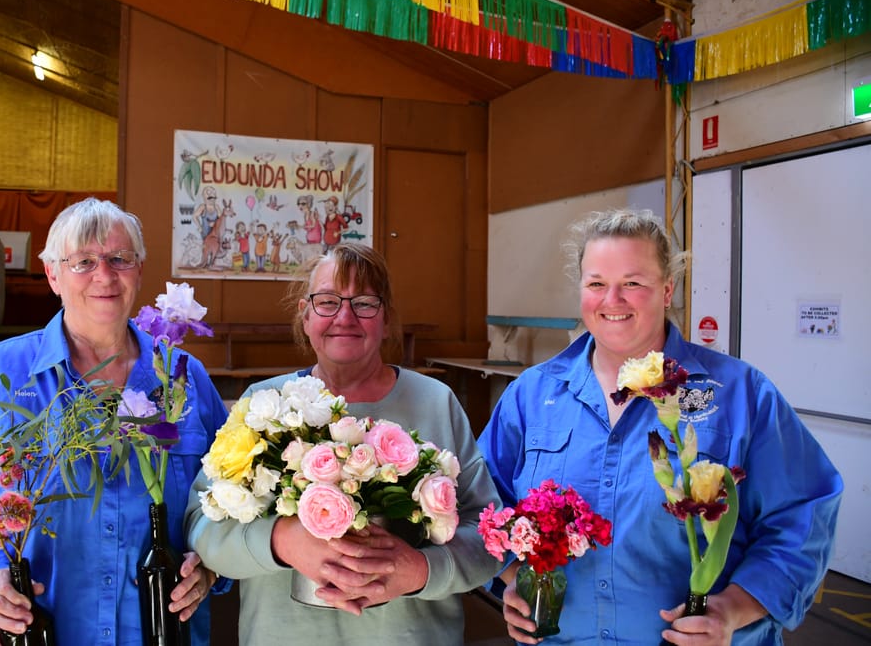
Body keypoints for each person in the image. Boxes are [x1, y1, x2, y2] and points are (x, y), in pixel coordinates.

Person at [477, 208, 843, 645]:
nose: (612, 300)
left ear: (667, 290)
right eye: (596, 284)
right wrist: (513, 577)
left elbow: (803, 516)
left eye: (633, 283)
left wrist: (733, 609)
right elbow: (482, 500)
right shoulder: (532, 395)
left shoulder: (740, 395)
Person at [0, 198, 229, 645]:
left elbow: (230, 499)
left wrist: (212, 566)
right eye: (83, 262)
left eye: (120, 258)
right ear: (52, 275)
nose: (105, 275)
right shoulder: (0, 374)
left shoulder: (183, 378)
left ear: (139, 270)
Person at [185, 243, 502, 645]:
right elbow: (201, 526)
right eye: (327, 301)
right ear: (305, 315)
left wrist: (421, 570)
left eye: (364, 303)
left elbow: (489, 535)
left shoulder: (436, 402)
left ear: (386, 319)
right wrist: (280, 541)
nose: (345, 317)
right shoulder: (263, 405)